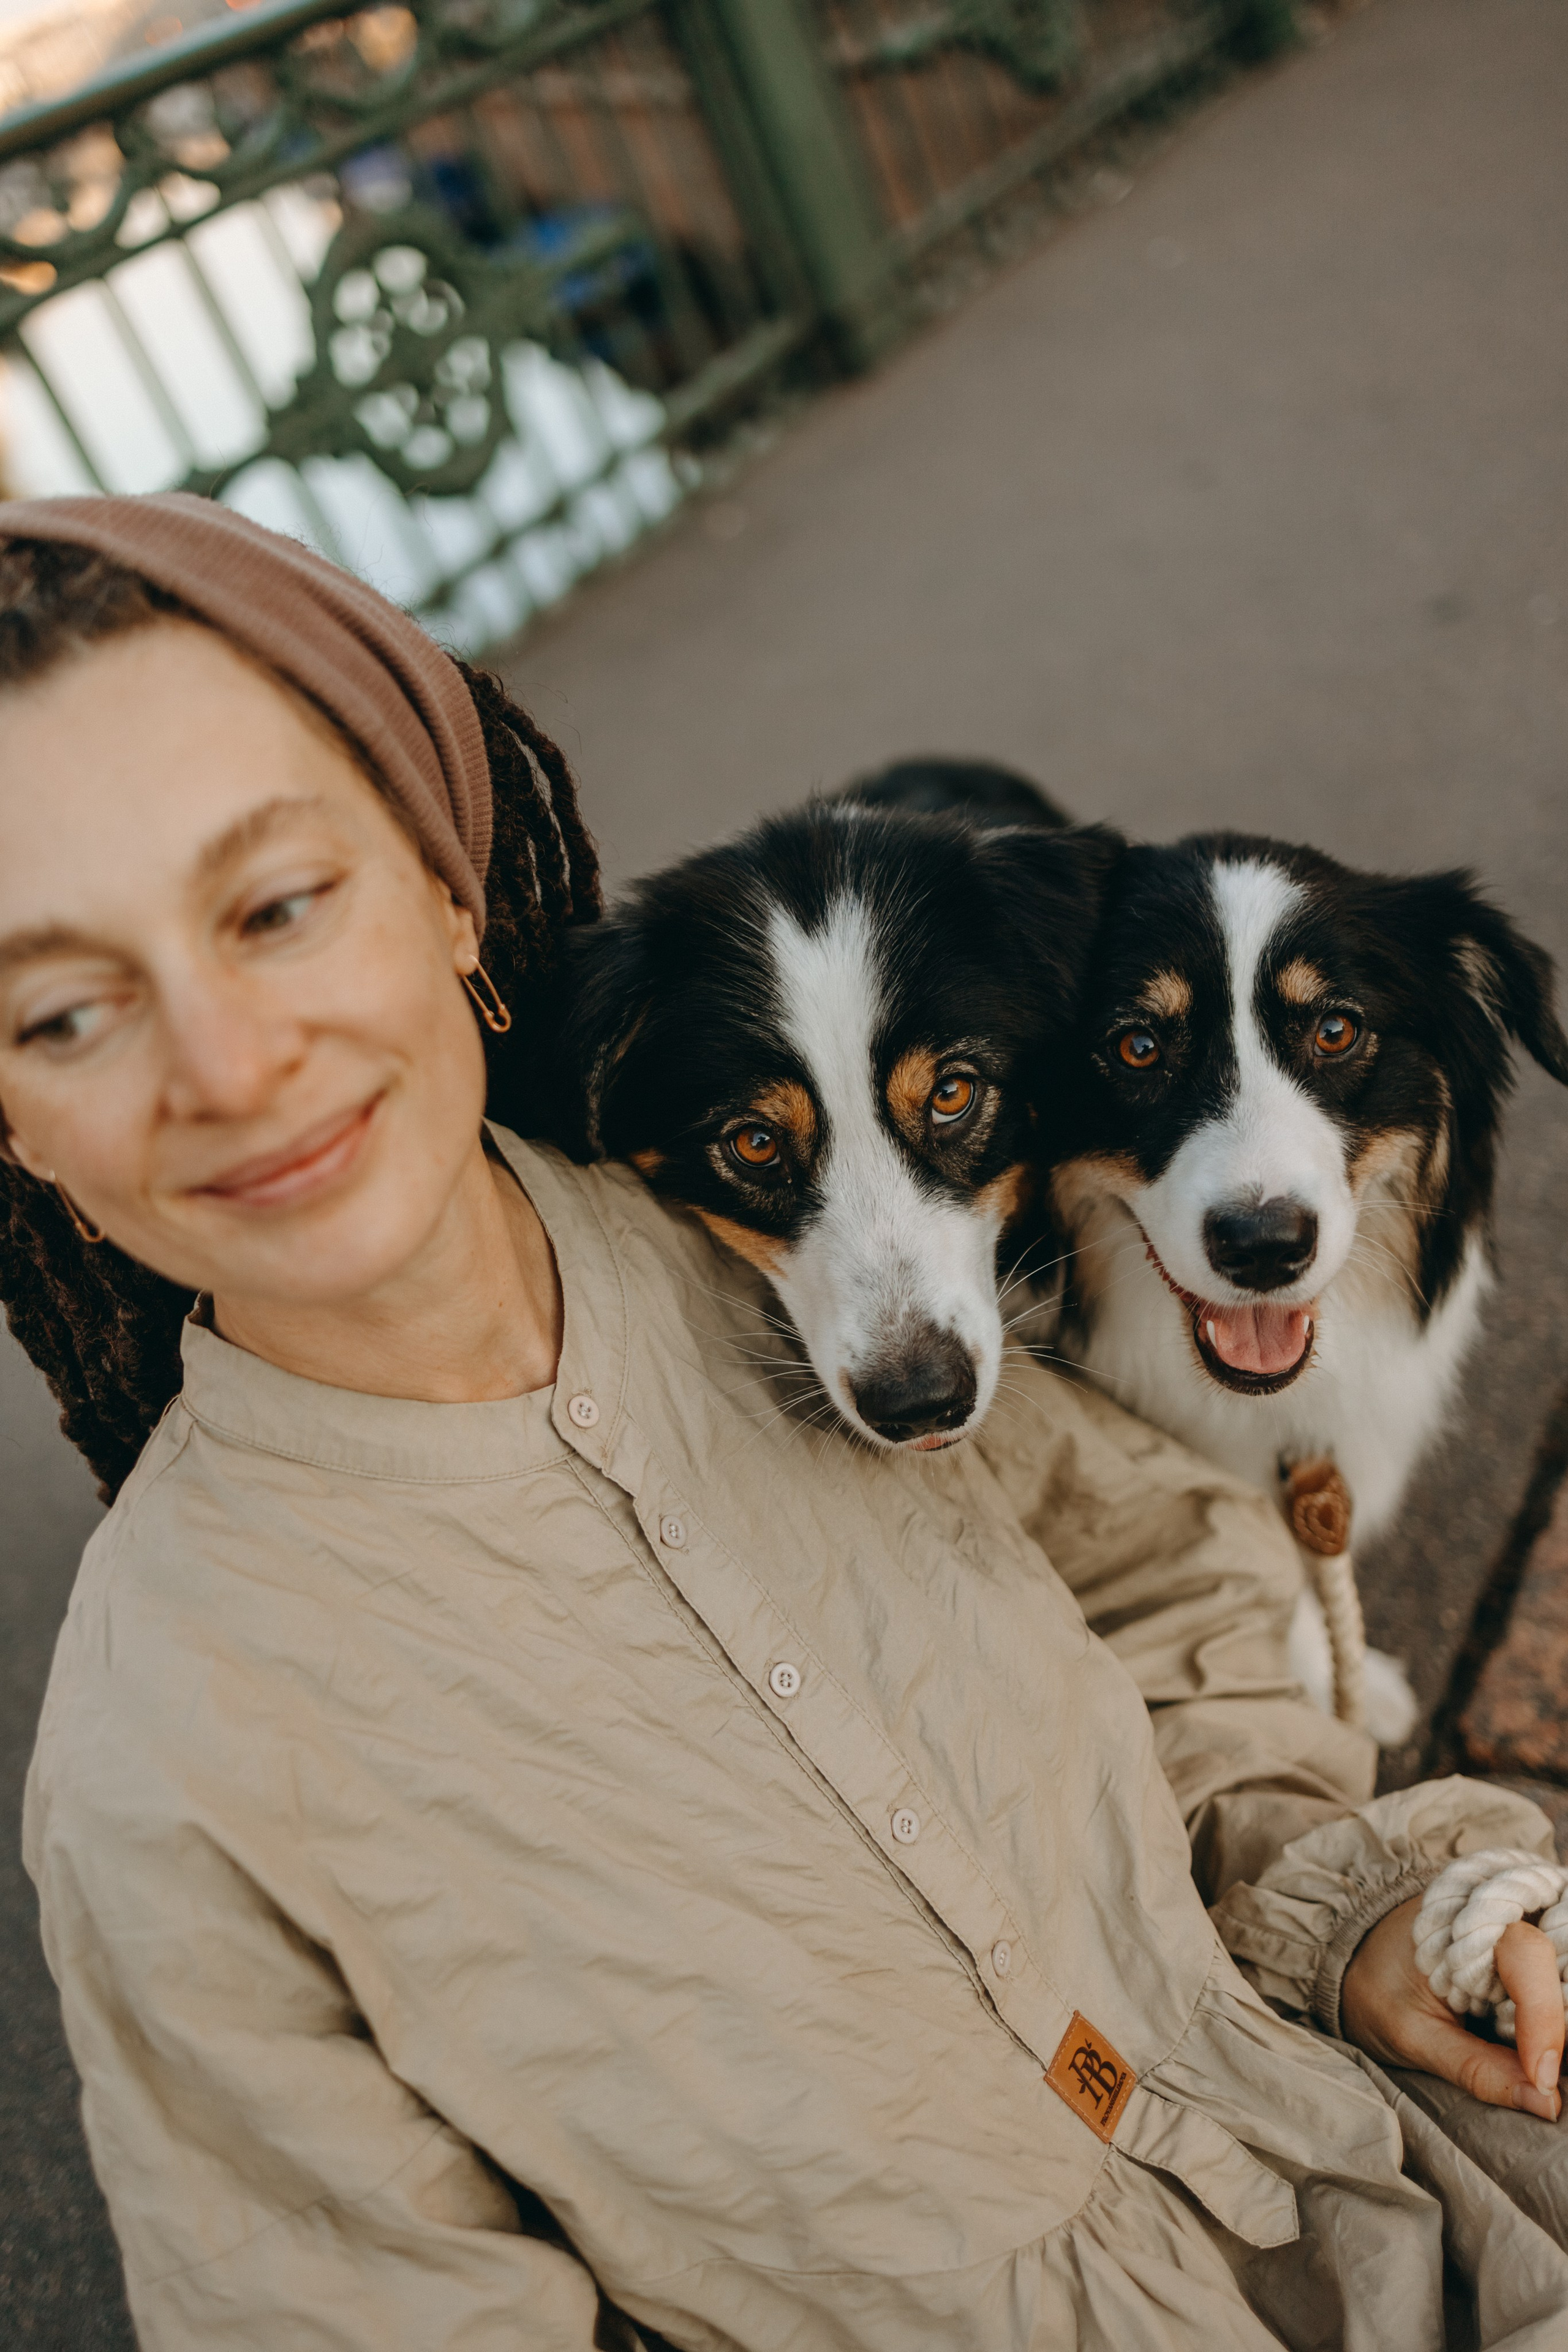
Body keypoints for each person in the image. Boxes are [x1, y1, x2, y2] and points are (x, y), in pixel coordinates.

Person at [2, 494, 1566, 2352]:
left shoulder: (717, 1265)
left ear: (438, 887)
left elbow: (1171, 1578)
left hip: (1397, 2162)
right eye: (63, 1011)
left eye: (273, 907)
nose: (227, 1062)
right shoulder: (163, 1776)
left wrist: (1361, 1903)